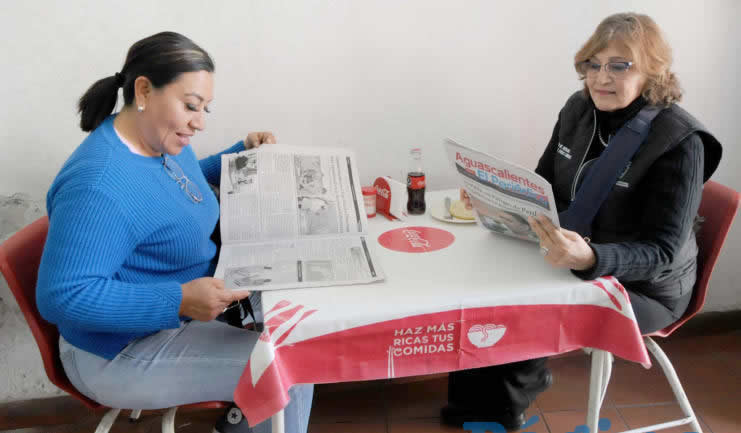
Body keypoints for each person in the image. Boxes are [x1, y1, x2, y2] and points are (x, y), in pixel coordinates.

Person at [445, 13, 722, 431]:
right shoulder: (579, 109)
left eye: (619, 65)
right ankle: (474, 403)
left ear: (653, 70)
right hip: (581, 248)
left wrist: (591, 256)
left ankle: (505, 406)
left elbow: (662, 253)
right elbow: (545, 189)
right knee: (484, 277)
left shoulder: (681, 142)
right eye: (593, 64)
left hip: (646, 288)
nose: (600, 78)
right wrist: (497, 200)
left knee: (525, 300)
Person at [35, 32, 313, 433]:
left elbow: (176, 182)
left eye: (205, 109)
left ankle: (246, 419)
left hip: (178, 314)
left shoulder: (154, 140)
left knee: (306, 320)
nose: (199, 122)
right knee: (291, 364)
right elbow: (63, 297)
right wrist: (179, 299)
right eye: (190, 106)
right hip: (117, 354)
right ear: (144, 89)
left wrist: (239, 156)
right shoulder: (98, 184)